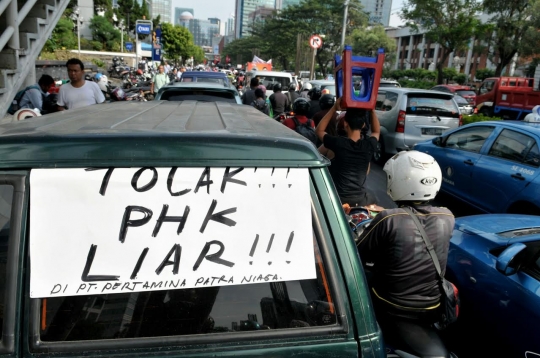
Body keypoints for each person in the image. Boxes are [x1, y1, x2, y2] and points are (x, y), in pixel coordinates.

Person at [356, 150, 455, 357]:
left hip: (393, 304)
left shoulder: (388, 218)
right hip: (433, 305)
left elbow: (359, 254)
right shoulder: (447, 216)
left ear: (400, 181)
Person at [315, 98, 380, 207]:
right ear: (363, 125)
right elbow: (376, 131)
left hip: (338, 198)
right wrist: (372, 110)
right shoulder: (369, 145)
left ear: (345, 124)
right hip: (361, 199)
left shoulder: (338, 143)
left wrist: (334, 108)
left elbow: (319, 131)